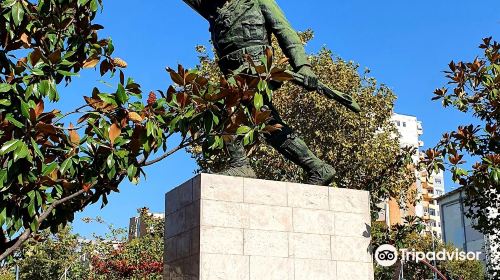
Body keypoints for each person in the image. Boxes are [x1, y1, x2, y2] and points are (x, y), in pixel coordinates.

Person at [182, 0, 335, 186]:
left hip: (257, 69)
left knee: (221, 105)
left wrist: (303, 66)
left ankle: (241, 164)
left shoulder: (258, 1)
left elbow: (284, 31)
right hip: (233, 73)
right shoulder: (214, 8)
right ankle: (317, 167)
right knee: (267, 123)